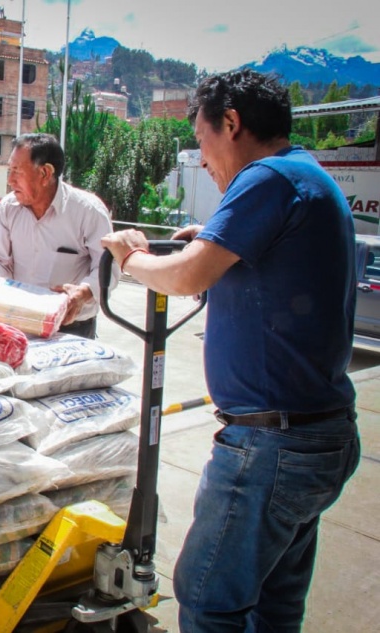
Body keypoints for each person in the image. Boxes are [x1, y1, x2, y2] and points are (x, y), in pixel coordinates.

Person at [101, 69, 360, 631]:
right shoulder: (307, 175)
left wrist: (130, 258)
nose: (203, 159)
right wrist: (214, 237)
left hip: (272, 446)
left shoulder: (267, 178)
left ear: (232, 123)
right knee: (273, 605)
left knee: (208, 600)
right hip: (317, 435)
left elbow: (188, 277)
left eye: (202, 139)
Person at [0, 133, 117, 339]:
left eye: (17, 171)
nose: (10, 180)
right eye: (9, 170)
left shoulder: (88, 211)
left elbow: (108, 267)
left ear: (45, 173)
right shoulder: (8, 207)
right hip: (18, 321)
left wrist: (83, 293)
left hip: (70, 327)